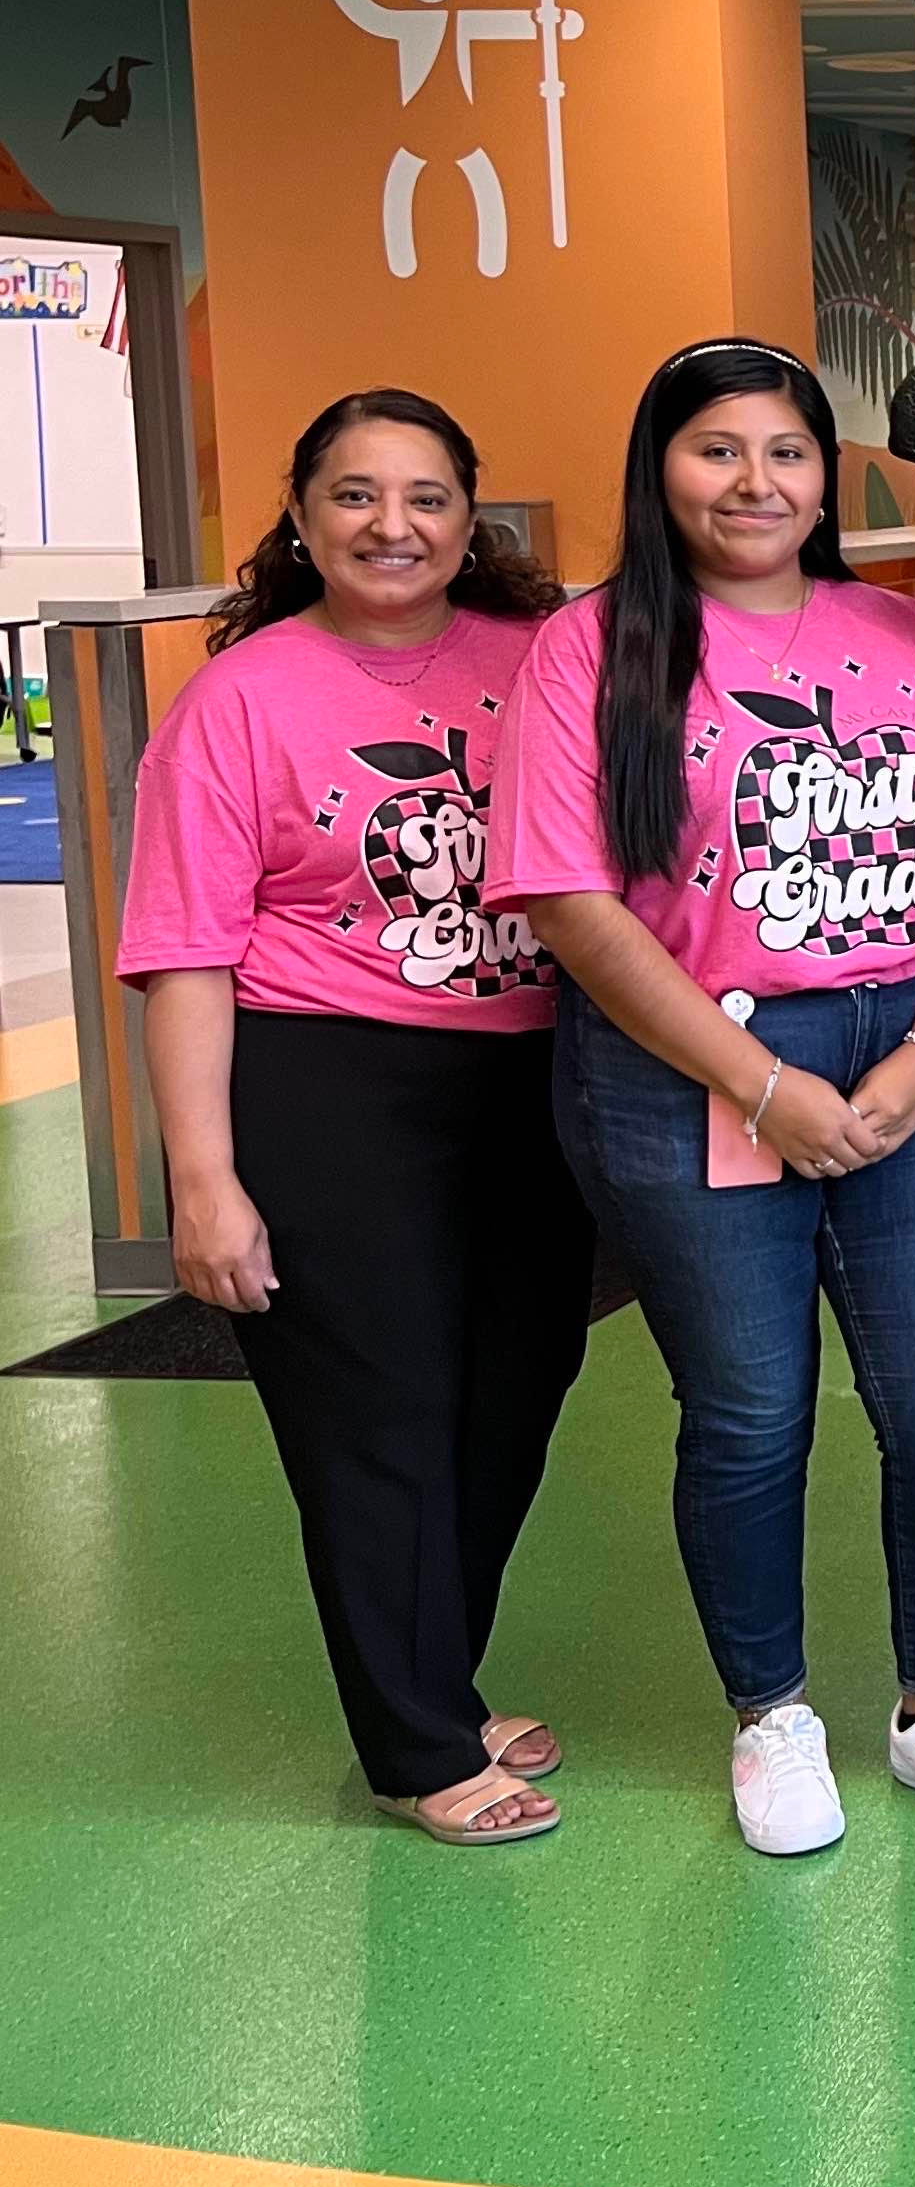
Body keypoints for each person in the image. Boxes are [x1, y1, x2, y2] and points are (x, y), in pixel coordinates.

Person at [492, 338, 915, 1858]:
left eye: (787, 452)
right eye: (717, 450)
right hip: (692, 1066)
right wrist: (765, 1085)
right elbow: (569, 896)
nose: (757, 482)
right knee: (748, 1416)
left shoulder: (903, 632)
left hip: (904, 1057)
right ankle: (773, 1715)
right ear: (658, 470)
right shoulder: (592, 646)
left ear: (827, 473)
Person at [118, 390, 583, 1845]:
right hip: (324, 1080)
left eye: (428, 496)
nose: (395, 526)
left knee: (514, 1393)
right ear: (303, 516)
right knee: (375, 1420)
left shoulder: (540, 661)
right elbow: (183, 951)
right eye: (357, 496)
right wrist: (204, 1180)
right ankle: (418, 1746)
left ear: (470, 515)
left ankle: (434, 1673)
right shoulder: (240, 698)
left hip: (526, 1080)